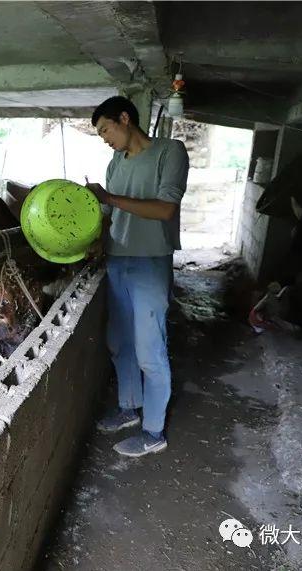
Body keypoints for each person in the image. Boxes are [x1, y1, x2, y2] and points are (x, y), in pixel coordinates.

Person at [84, 96, 189, 457]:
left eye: (105, 130)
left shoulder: (170, 152)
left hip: (149, 262)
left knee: (149, 350)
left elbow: (164, 208)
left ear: (125, 118)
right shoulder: (115, 163)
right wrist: (99, 240)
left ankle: (154, 431)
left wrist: (110, 198)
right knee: (120, 342)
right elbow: (110, 216)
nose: (105, 139)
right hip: (117, 261)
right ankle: (129, 407)